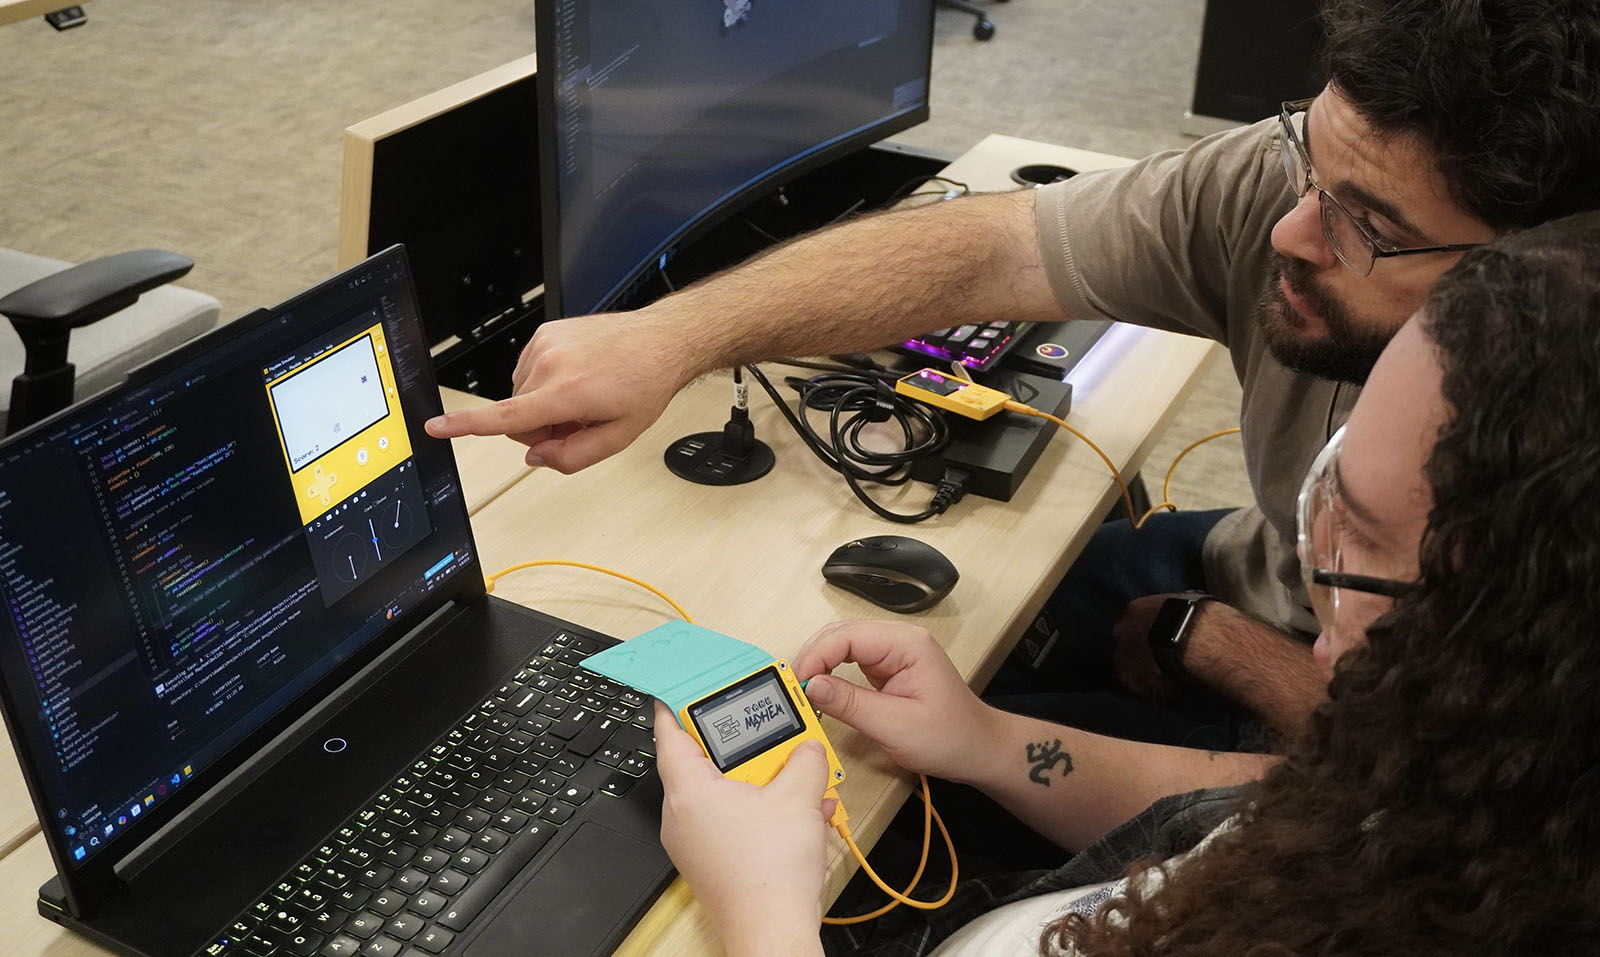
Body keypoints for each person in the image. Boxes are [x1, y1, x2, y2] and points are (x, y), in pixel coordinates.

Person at [428, 1, 1600, 742]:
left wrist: (1208, 646)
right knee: (940, 628)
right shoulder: (1302, 192)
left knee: (904, 776)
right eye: (1307, 162)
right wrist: (671, 337)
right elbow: (994, 244)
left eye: (1366, 225)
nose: (1291, 232)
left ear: (1549, 275)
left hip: (1380, 745)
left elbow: (1477, 814)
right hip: (1265, 577)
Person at [649, 211, 1600, 956]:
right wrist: (987, 741)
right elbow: (1246, 804)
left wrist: (767, 920)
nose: (1313, 584)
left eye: (1362, 548)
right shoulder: (1458, 799)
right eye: (1329, 488)